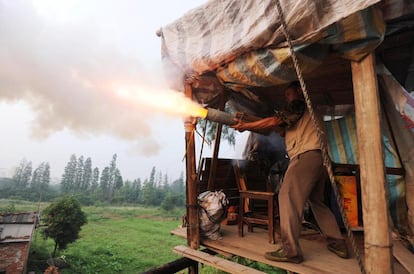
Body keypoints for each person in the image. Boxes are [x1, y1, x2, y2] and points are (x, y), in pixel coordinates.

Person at [231, 81, 349, 263]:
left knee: (286, 195)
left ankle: (290, 250)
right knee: (317, 202)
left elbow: (277, 120)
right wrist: (251, 122)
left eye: (288, 94)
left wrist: (246, 126)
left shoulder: (299, 103)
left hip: (306, 155)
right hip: (320, 159)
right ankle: (337, 242)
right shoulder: (304, 112)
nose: (286, 98)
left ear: (300, 92)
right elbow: (280, 130)